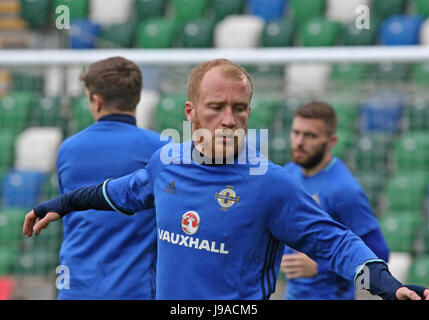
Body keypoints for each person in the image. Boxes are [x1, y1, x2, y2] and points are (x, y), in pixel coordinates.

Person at [23, 59, 429, 300]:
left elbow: (338, 242)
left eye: (240, 108)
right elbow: (117, 192)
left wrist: (387, 285)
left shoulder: (272, 184)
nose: (230, 120)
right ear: (190, 112)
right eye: (216, 107)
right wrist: (57, 205)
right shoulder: (166, 162)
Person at [54, 56, 167, 299]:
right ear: (137, 98)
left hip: (76, 288)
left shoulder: (68, 149)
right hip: (135, 289)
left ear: (96, 101)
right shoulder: (162, 149)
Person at [280, 101, 390, 300]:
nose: (299, 142)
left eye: (310, 135)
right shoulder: (289, 173)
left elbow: (380, 253)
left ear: (331, 141)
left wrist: (319, 267)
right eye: (296, 132)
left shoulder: (344, 190)